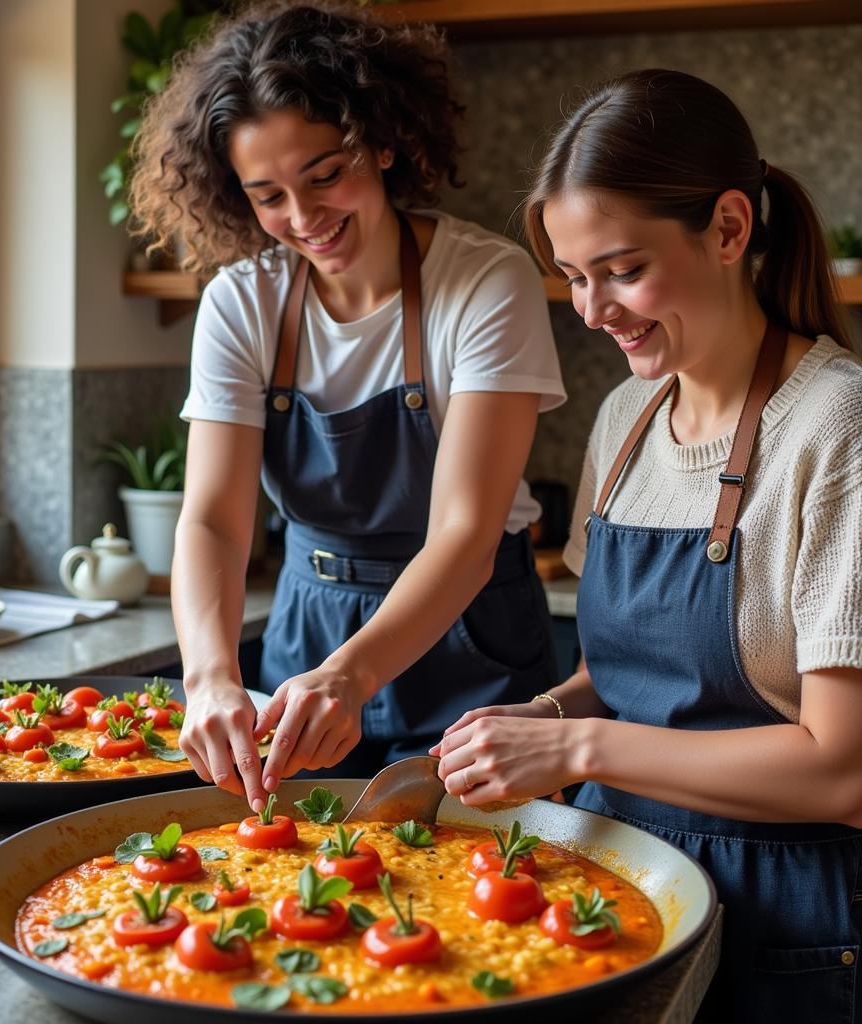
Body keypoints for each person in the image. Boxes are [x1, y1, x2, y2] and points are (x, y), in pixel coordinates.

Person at [432, 67, 862, 1020]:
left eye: (622, 270)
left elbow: (845, 768)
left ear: (729, 229)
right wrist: (547, 715)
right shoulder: (626, 415)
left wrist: (579, 745)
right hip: (616, 893)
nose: (591, 312)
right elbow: (622, 676)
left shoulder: (838, 427)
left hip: (789, 926)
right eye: (575, 277)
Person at [130, 1, 565, 813]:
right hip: (307, 624)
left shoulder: (484, 281)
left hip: (470, 633)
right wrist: (211, 678)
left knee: (481, 883)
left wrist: (354, 674)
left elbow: (466, 535)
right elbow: (214, 522)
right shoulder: (240, 304)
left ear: (386, 141)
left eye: (327, 174)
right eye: (268, 196)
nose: (303, 219)